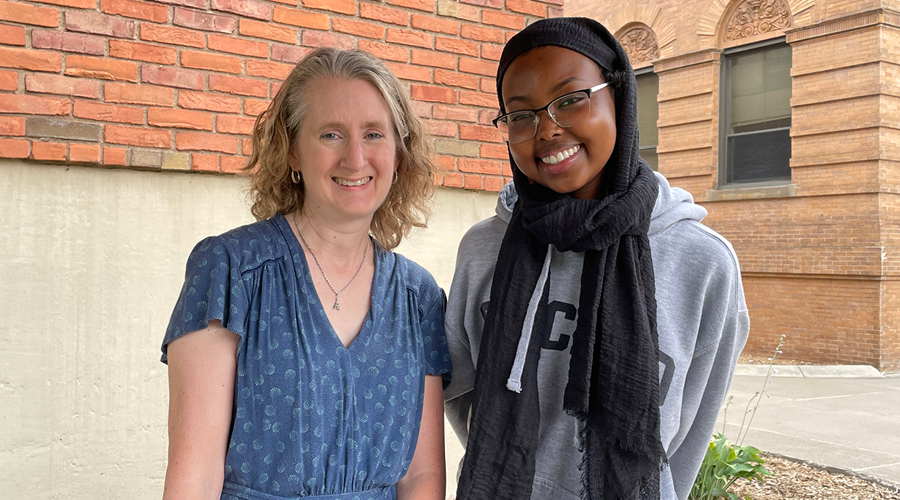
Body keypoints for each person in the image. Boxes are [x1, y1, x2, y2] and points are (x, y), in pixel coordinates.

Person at [443, 17, 749, 500]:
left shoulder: (702, 263)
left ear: (619, 98)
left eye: (570, 99)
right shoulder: (484, 249)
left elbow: (692, 426)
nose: (546, 128)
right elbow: (463, 396)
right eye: (521, 115)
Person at [160, 47, 451, 500]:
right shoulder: (231, 271)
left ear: (399, 151)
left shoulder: (419, 297)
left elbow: (421, 478)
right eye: (331, 134)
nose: (355, 158)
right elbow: (194, 477)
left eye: (374, 134)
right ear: (292, 151)